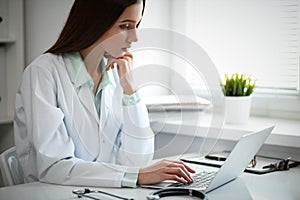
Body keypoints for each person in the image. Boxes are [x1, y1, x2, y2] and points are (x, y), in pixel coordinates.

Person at [14, 0, 195, 188]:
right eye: (125, 26)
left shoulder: (115, 74)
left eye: (136, 25)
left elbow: (138, 162)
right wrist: (135, 175)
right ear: (95, 23)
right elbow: (54, 166)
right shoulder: (43, 72)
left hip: (101, 192)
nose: (134, 37)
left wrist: (130, 90)